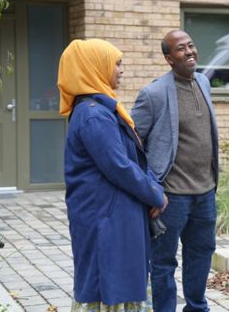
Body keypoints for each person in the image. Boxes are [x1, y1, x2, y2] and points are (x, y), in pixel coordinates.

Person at [58, 38, 166, 311]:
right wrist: (155, 194)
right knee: (108, 285)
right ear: (94, 67)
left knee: (117, 282)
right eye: (116, 64)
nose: (121, 70)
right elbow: (120, 167)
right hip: (105, 217)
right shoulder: (94, 116)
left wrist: (152, 186)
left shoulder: (100, 111)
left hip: (112, 213)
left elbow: (133, 160)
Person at [131, 30, 219, 312]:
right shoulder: (153, 93)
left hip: (205, 193)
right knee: (163, 262)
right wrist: (150, 188)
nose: (190, 51)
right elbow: (133, 145)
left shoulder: (204, 82)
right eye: (181, 49)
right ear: (169, 58)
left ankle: (196, 306)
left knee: (202, 253)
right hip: (171, 197)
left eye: (191, 45)